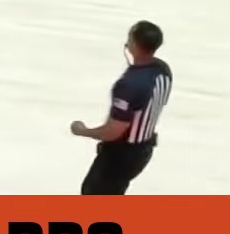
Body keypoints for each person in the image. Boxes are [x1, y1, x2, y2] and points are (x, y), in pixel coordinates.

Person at [71, 20, 171, 195]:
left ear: (135, 43)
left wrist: (83, 131)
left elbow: (113, 131)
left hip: (122, 154)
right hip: (144, 147)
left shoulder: (129, 85)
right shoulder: (162, 70)